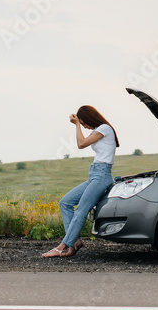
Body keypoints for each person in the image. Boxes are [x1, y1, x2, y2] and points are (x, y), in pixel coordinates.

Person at [42, 105, 119, 258]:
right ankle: (74, 243)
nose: (84, 126)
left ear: (90, 118)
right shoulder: (98, 130)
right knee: (65, 202)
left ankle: (63, 246)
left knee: (81, 210)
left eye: (84, 123)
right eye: (82, 124)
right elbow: (81, 142)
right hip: (95, 175)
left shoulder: (105, 128)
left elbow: (81, 144)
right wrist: (78, 124)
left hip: (102, 175)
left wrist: (77, 124)